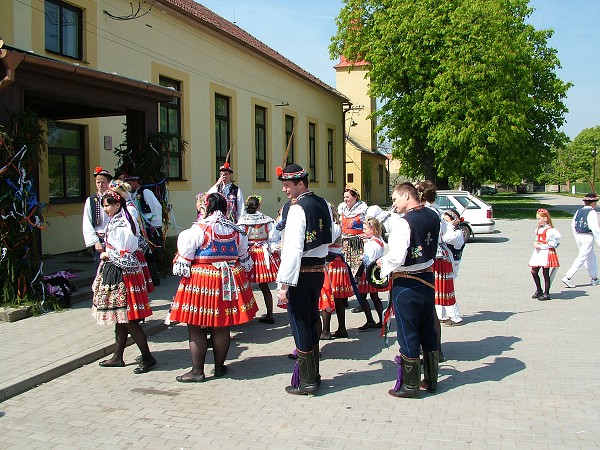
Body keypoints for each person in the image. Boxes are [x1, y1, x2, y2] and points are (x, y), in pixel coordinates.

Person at [169, 192, 257, 382]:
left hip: (202, 280)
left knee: (196, 327)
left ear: (206, 207)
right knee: (221, 325)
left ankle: (197, 371)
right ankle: (219, 367)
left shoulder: (197, 230)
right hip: (228, 280)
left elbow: (185, 260)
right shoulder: (237, 231)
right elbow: (244, 257)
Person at [377, 182, 440, 398]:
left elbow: (397, 256)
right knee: (427, 329)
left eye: (395, 199)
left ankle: (410, 385)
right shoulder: (433, 215)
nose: (394, 204)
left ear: (406, 196)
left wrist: (382, 264)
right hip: (428, 279)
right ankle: (431, 380)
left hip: (406, 282)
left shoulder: (404, 223)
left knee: (408, 331)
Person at [276, 163, 333, 395]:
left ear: (301, 183)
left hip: (300, 272)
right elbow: (333, 233)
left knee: (300, 323)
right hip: (318, 270)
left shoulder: (298, 209)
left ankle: (307, 381)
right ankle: (314, 375)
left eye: (288, 186)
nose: (285, 190)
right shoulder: (324, 204)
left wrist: (284, 284)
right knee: (311, 320)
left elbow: (292, 249)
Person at [92, 190, 156, 374]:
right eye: (104, 205)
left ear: (117, 205)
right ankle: (118, 356)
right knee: (120, 318)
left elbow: (125, 253)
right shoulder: (118, 219)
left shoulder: (122, 224)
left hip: (123, 274)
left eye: (108, 205)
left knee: (127, 319)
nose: (105, 209)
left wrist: (106, 254)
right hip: (120, 272)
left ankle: (148, 357)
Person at [237, 195, 281, 324]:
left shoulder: (242, 221)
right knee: (264, 286)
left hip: (247, 254)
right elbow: (273, 238)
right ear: (259, 205)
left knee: (243, 286)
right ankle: (270, 314)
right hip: (262, 254)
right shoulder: (267, 220)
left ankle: (244, 314)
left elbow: (240, 240)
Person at [124, 175, 163, 286]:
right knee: (143, 253)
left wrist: (154, 225)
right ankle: (145, 277)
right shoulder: (132, 195)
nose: (129, 186)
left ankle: (154, 278)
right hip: (140, 228)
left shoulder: (146, 192)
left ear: (136, 181)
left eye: (130, 183)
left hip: (149, 227)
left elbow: (157, 207)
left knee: (150, 253)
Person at [320, 205, 352, 339]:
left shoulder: (333, 227)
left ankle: (326, 331)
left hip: (331, 264)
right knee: (337, 298)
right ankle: (341, 328)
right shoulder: (334, 226)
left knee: (327, 296)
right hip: (335, 264)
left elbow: (326, 241)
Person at [338, 187, 368, 313]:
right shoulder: (343, 209)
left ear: (355, 197)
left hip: (357, 244)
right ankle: (344, 299)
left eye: (348, 197)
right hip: (345, 244)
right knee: (346, 271)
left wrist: (368, 235)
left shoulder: (362, 210)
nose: (345, 200)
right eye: (344, 197)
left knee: (358, 273)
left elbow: (371, 224)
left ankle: (362, 301)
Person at [562, 193, 600, 288]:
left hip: (579, 235)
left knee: (591, 257)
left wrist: (577, 237)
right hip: (587, 237)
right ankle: (568, 277)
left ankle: (594, 277)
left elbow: (573, 225)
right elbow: (595, 228)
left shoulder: (579, 211)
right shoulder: (592, 212)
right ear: (593, 203)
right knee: (582, 257)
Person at [355, 217, 387, 331]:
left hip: (368, 272)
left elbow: (368, 260)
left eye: (365, 229)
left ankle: (370, 320)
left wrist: (361, 258)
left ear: (372, 229)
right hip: (376, 272)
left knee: (362, 296)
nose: (363, 231)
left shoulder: (370, 244)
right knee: (375, 297)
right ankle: (382, 320)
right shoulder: (380, 240)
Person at [438, 209, 465, 325]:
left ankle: (455, 317)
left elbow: (445, 239)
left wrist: (448, 226)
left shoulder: (458, 233)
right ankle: (441, 315)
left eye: (447, 220)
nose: (444, 223)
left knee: (447, 290)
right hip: (444, 264)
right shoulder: (448, 230)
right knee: (439, 289)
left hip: (452, 266)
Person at [82, 167, 112, 269]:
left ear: (108, 183)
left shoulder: (114, 198)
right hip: (99, 238)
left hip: (114, 238)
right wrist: (95, 241)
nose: (100, 185)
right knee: (99, 267)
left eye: (103, 182)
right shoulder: (91, 200)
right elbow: (87, 222)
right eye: (98, 182)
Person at [529, 208, 561, 300]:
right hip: (538, 253)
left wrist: (541, 246)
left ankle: (546, 293)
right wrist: (535, 243)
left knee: (545, 273)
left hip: (546, 253)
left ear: (545, 219)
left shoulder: (550, 230)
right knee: (534, 271)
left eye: (539, 218)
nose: (537, 221)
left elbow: (553, 244)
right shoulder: (539, 229)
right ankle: (539, 289)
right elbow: (537, 239)